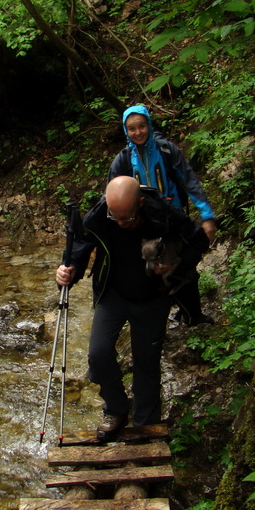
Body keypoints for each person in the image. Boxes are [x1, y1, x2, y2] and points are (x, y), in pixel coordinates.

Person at [55, 176, 209, 440]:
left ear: (140, 203)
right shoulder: (100, 215)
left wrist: (176, 267)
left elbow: (199, 241)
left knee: (146, 364)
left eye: (127, 218)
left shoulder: (163, 214)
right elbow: (79, 248)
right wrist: (68, 271)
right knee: (98, 355)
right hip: (112, 293)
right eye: (115, 218)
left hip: (153, 297)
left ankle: (144, 424)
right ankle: (116, 409)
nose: (121, 224)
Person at [109, 104, 216, 325]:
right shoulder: (123, 160)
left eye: (141, 126)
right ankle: (160, 316)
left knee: (183, 266)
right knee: (153, 269)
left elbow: (189, 181)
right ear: (125, 130)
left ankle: (192, 314)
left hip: (174, 220)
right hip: (141, 224)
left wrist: (206, 215)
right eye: (131, 128)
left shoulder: (167, 151)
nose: (138, 132)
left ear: (149, 124)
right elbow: (111, 195)